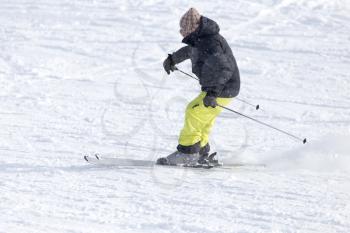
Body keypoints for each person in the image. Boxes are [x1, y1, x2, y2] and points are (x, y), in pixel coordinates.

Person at [157, 8, 240, 165]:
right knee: (203, 116)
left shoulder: (210, 42)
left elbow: (223, 68)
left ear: (193, 28)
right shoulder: (201, 39)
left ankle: (188, 153)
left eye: (184, 29)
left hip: (222, 88)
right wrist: (173, 59)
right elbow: (190, 51)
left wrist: (212, 94)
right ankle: (200, 151)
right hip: (223, 87)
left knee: (193, 111)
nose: (182, 33)